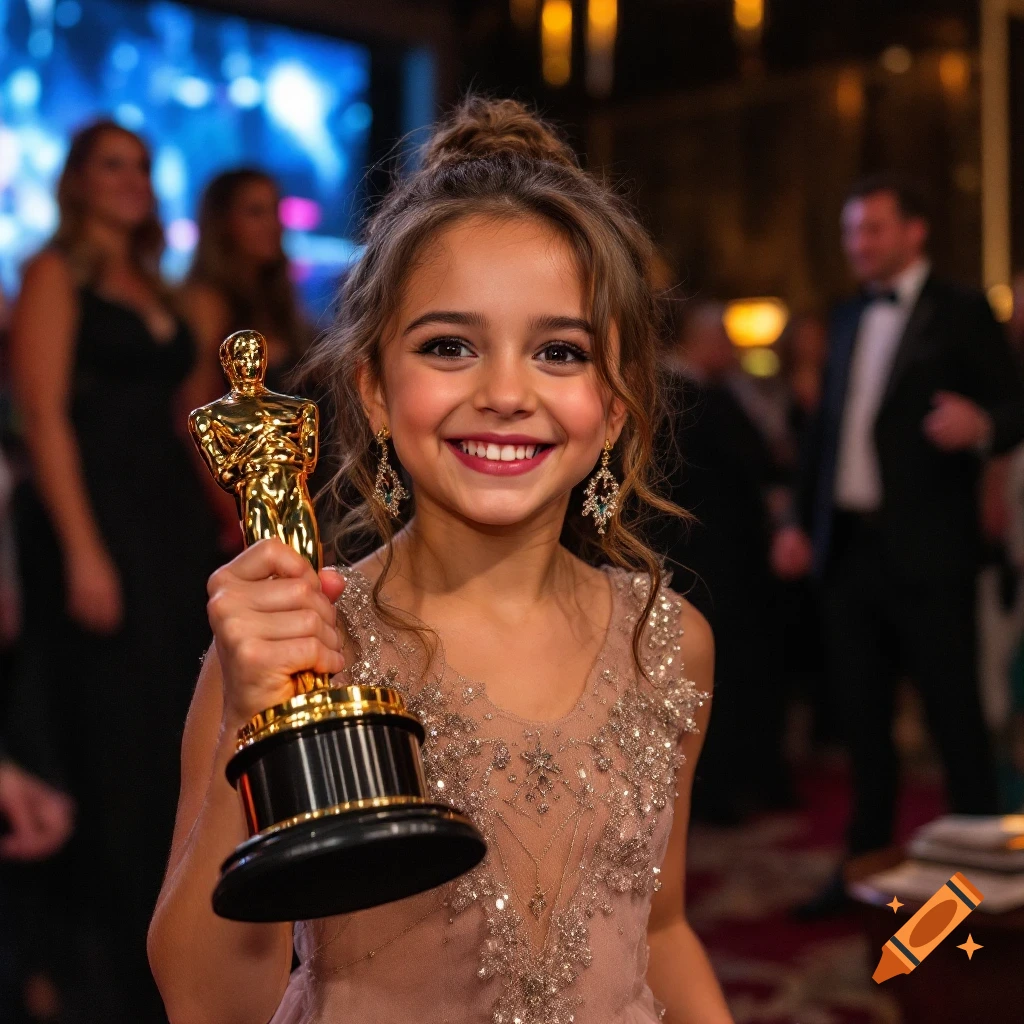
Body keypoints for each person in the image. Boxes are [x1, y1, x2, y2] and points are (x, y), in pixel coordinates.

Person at [148, 97, 734, 1024]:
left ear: (616, 407)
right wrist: (247, 714)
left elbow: (659, 929)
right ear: (375, 390)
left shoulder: (669, 642)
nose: (505, 392)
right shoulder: (302, 646)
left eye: (559, 351)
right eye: (450, 346)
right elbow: (207, 1002)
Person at [9, 119, 220, 1021]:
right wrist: (85, 551)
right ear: (77, 180)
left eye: (141, 164)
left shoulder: (164, 289)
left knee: (180, 718)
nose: (131, 179)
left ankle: (176, 943)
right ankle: (107, 969)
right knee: (115, 732)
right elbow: (46, 419)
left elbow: (193, 417)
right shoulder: (55, 277)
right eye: (111, 164)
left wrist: (237, 519)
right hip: (97, 520)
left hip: (169, 520)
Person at [772, 174, 1024, 916]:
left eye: (873, 229)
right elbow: (825, 433)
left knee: (955, 720)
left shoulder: (962, 308)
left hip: (930, 551)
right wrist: (796, 523)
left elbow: (1016, 402)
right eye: (852, 232)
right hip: (851, 553)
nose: (859, 244)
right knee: (862, 723)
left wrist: (983, 428)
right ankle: (862, 863)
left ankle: (983, 876)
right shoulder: (846, 316)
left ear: (914, 232)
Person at [658, 302, 788, 822]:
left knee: (738, 672)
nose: (733, 350)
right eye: (723, 339)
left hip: (730, 558)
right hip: (700, 560)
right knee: (706, 678)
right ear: (696, 340)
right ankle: (715, 793)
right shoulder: (681, 396)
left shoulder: (718, 391)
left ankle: (741, 780)